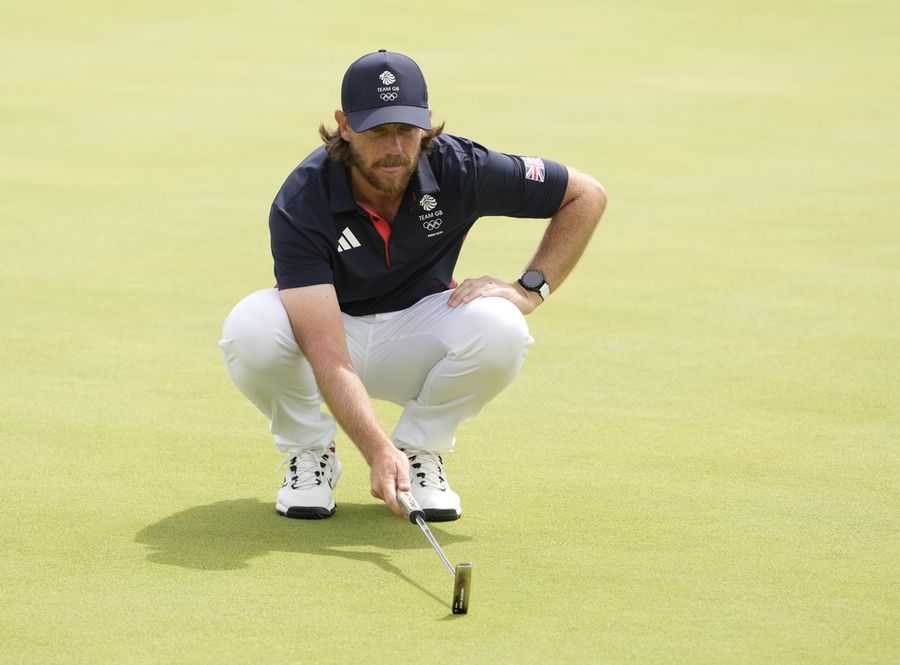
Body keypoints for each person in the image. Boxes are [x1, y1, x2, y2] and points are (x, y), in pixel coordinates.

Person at [218, 49, 607, 522]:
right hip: (332, 338)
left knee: (502, 325)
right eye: (378, 132)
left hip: (418, 335)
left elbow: (585, 194)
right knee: (252, 327)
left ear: (425, 121)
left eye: (405, 130)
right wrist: (375, 449)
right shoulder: (303, 199)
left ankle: (420, 451)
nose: (395, 148)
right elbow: (328, 355)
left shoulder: (462, 167)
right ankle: (310, 452)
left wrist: (531, 288)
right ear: (344, 125)